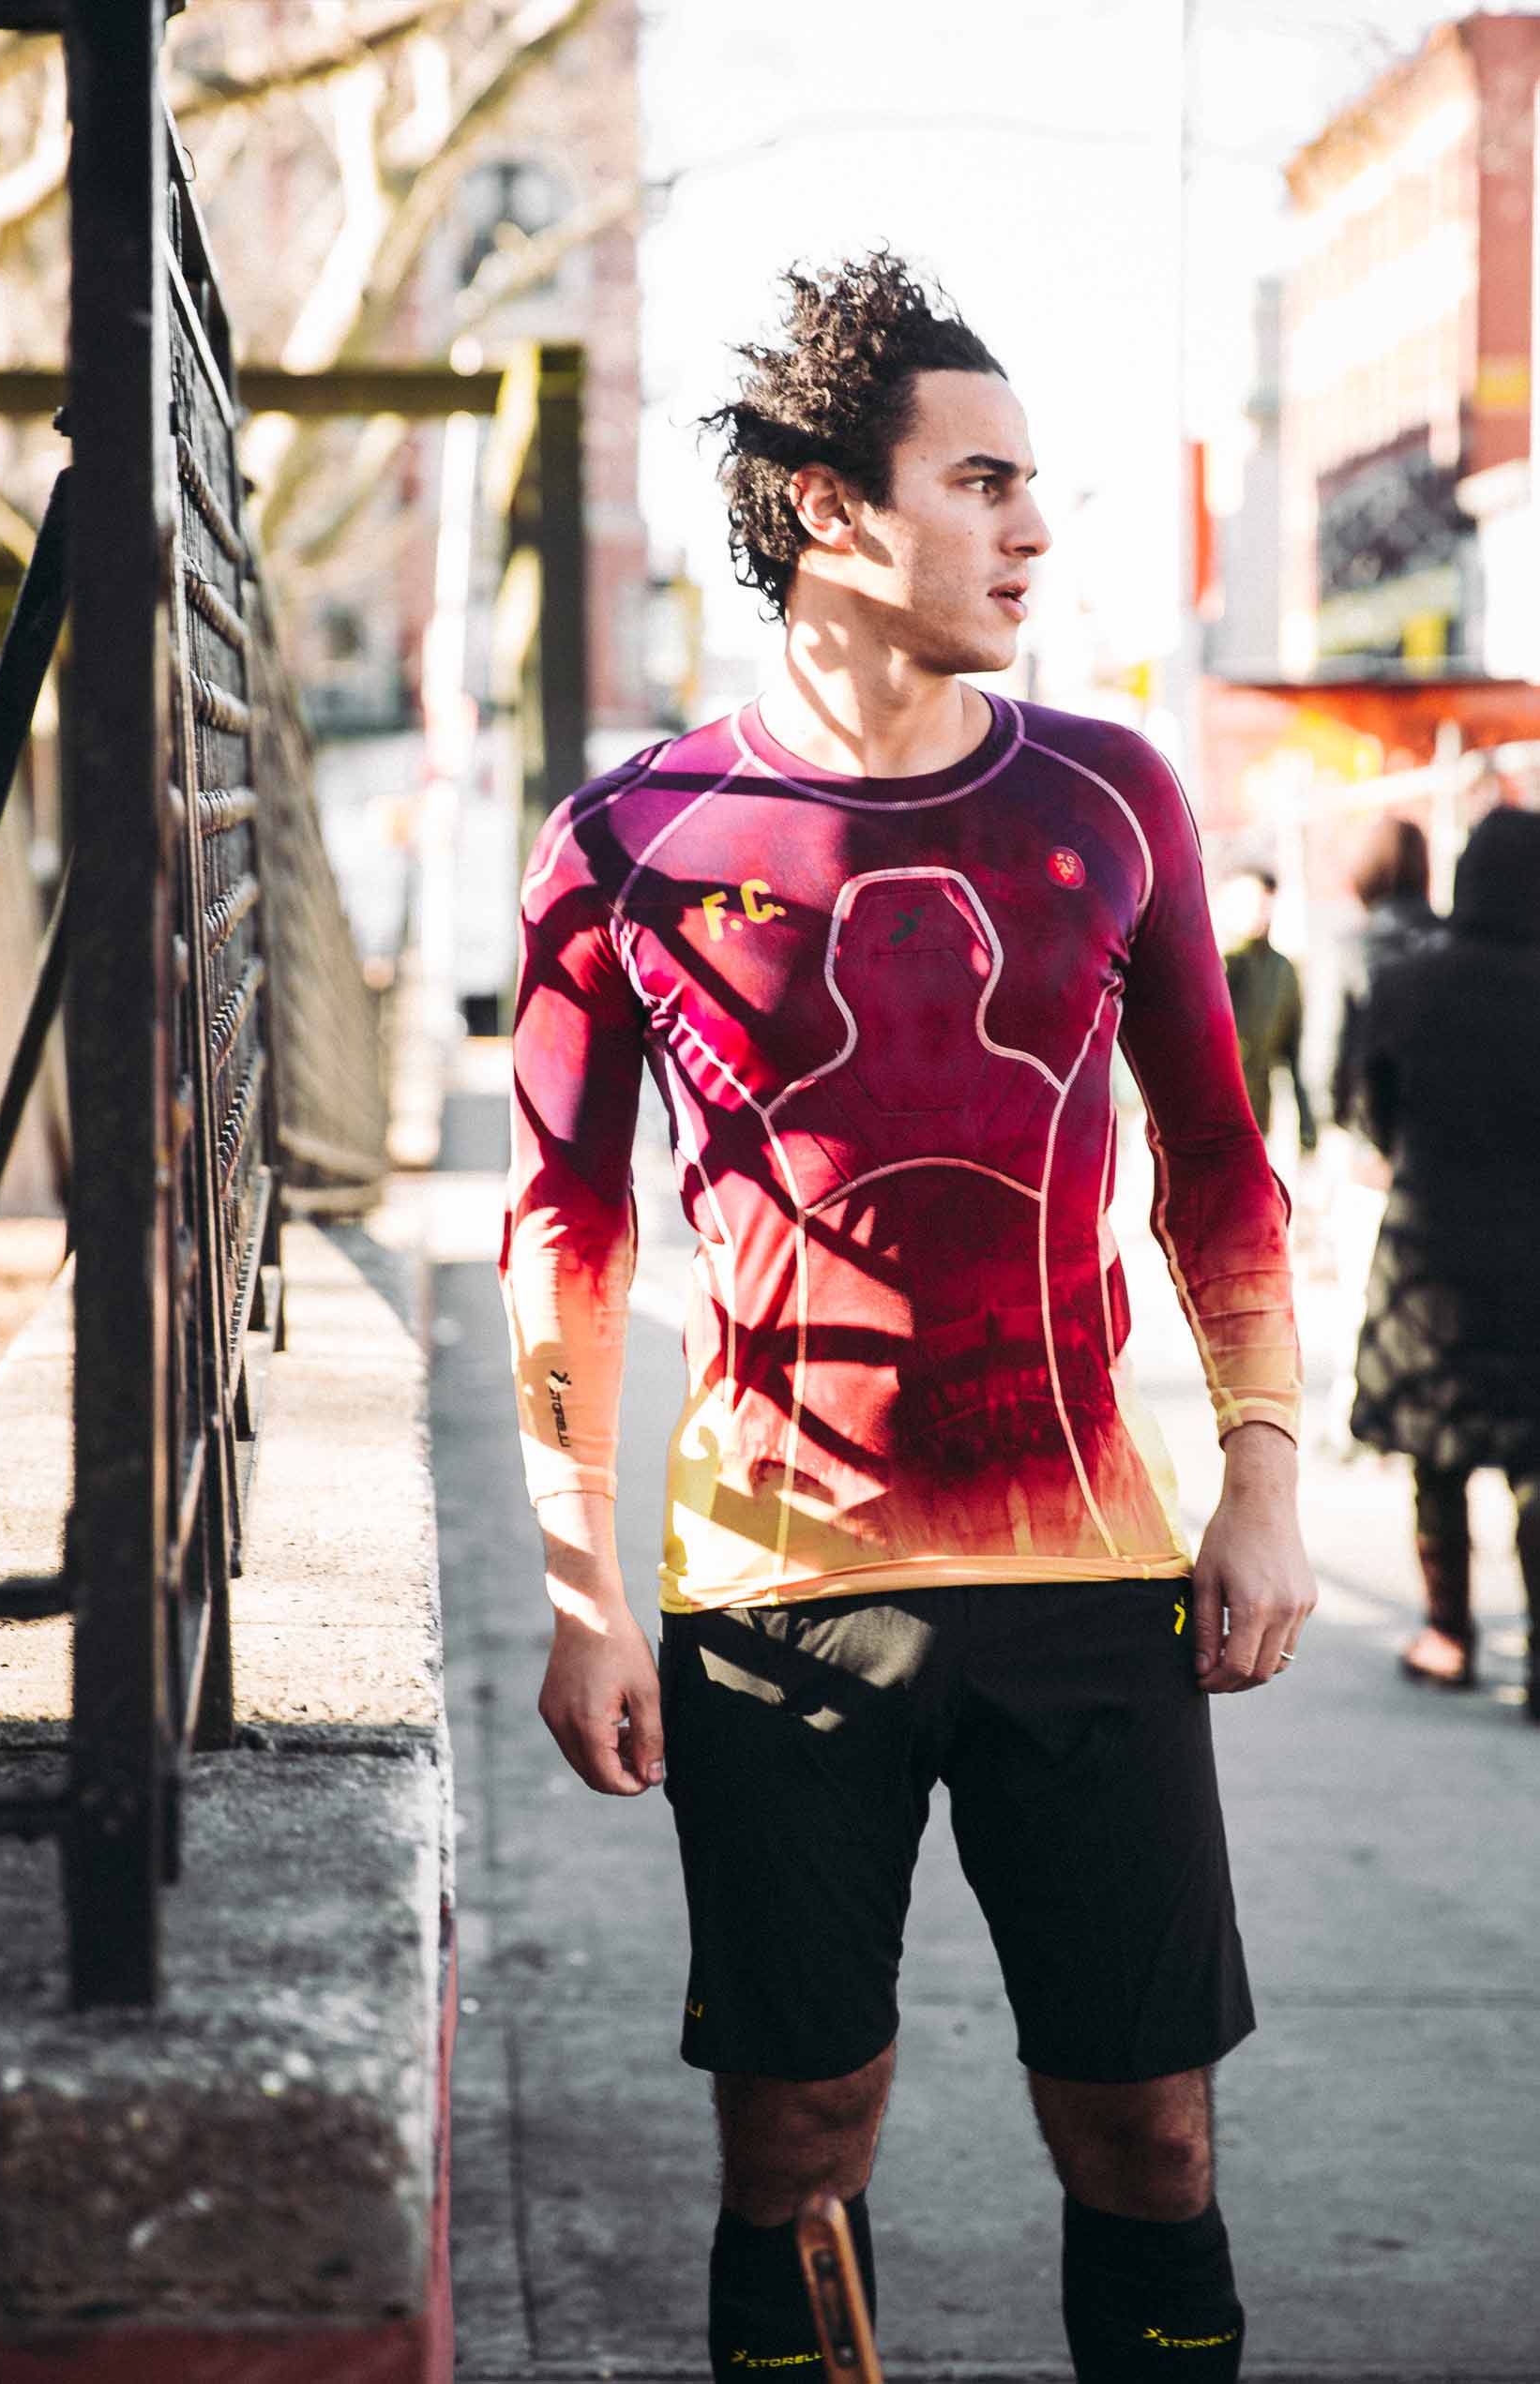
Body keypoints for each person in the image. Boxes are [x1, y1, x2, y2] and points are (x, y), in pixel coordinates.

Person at [501, 254, 1313, 2381]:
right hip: (775, 1594)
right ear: (831, 508)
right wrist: (584, 1591)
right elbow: (561, 1227)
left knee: (1150, 2128)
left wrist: (1260, 1476)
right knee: (798, 2130)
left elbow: (1220, 1163)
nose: (1033, 527)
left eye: (1032, 483)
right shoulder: (630, 837)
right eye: (983, 482)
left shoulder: (1109, 794)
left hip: (1090, 1574)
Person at [1348, 806, 1540, 1713]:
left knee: (1436, 1450)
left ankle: (1448, 1633)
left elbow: (1368, 1111)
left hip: (1431, 1252)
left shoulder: (1408, 985)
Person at [1324, 819, 1441, 1451]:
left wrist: (1344, 1133)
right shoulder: (1445, 941)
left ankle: (1357, 1417)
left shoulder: (1350, 948)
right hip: (1433, 1149)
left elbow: (1328, 1058)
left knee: (1358, 1285)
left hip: (1368, 1151)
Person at [1219, 869, 1317, 1155]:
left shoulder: (1282, 971)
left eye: (1264, 902)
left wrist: (1307, 1126)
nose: (1257, 912)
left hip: (1256, 1117)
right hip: (1204, 1116)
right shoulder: (1213, 962)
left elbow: (1296, 1051)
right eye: (1249, 902)